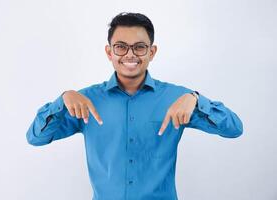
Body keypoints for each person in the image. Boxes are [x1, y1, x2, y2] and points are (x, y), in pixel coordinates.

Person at [26, 12, 243, 200]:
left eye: (139, 47)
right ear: (109, 52)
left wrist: (196, 98)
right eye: (121, 47)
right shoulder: (85, 102)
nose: (130, 54)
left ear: (152, 52)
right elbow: (36, 138)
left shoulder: (177, 99)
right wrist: (62, 100)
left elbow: (234, 129)